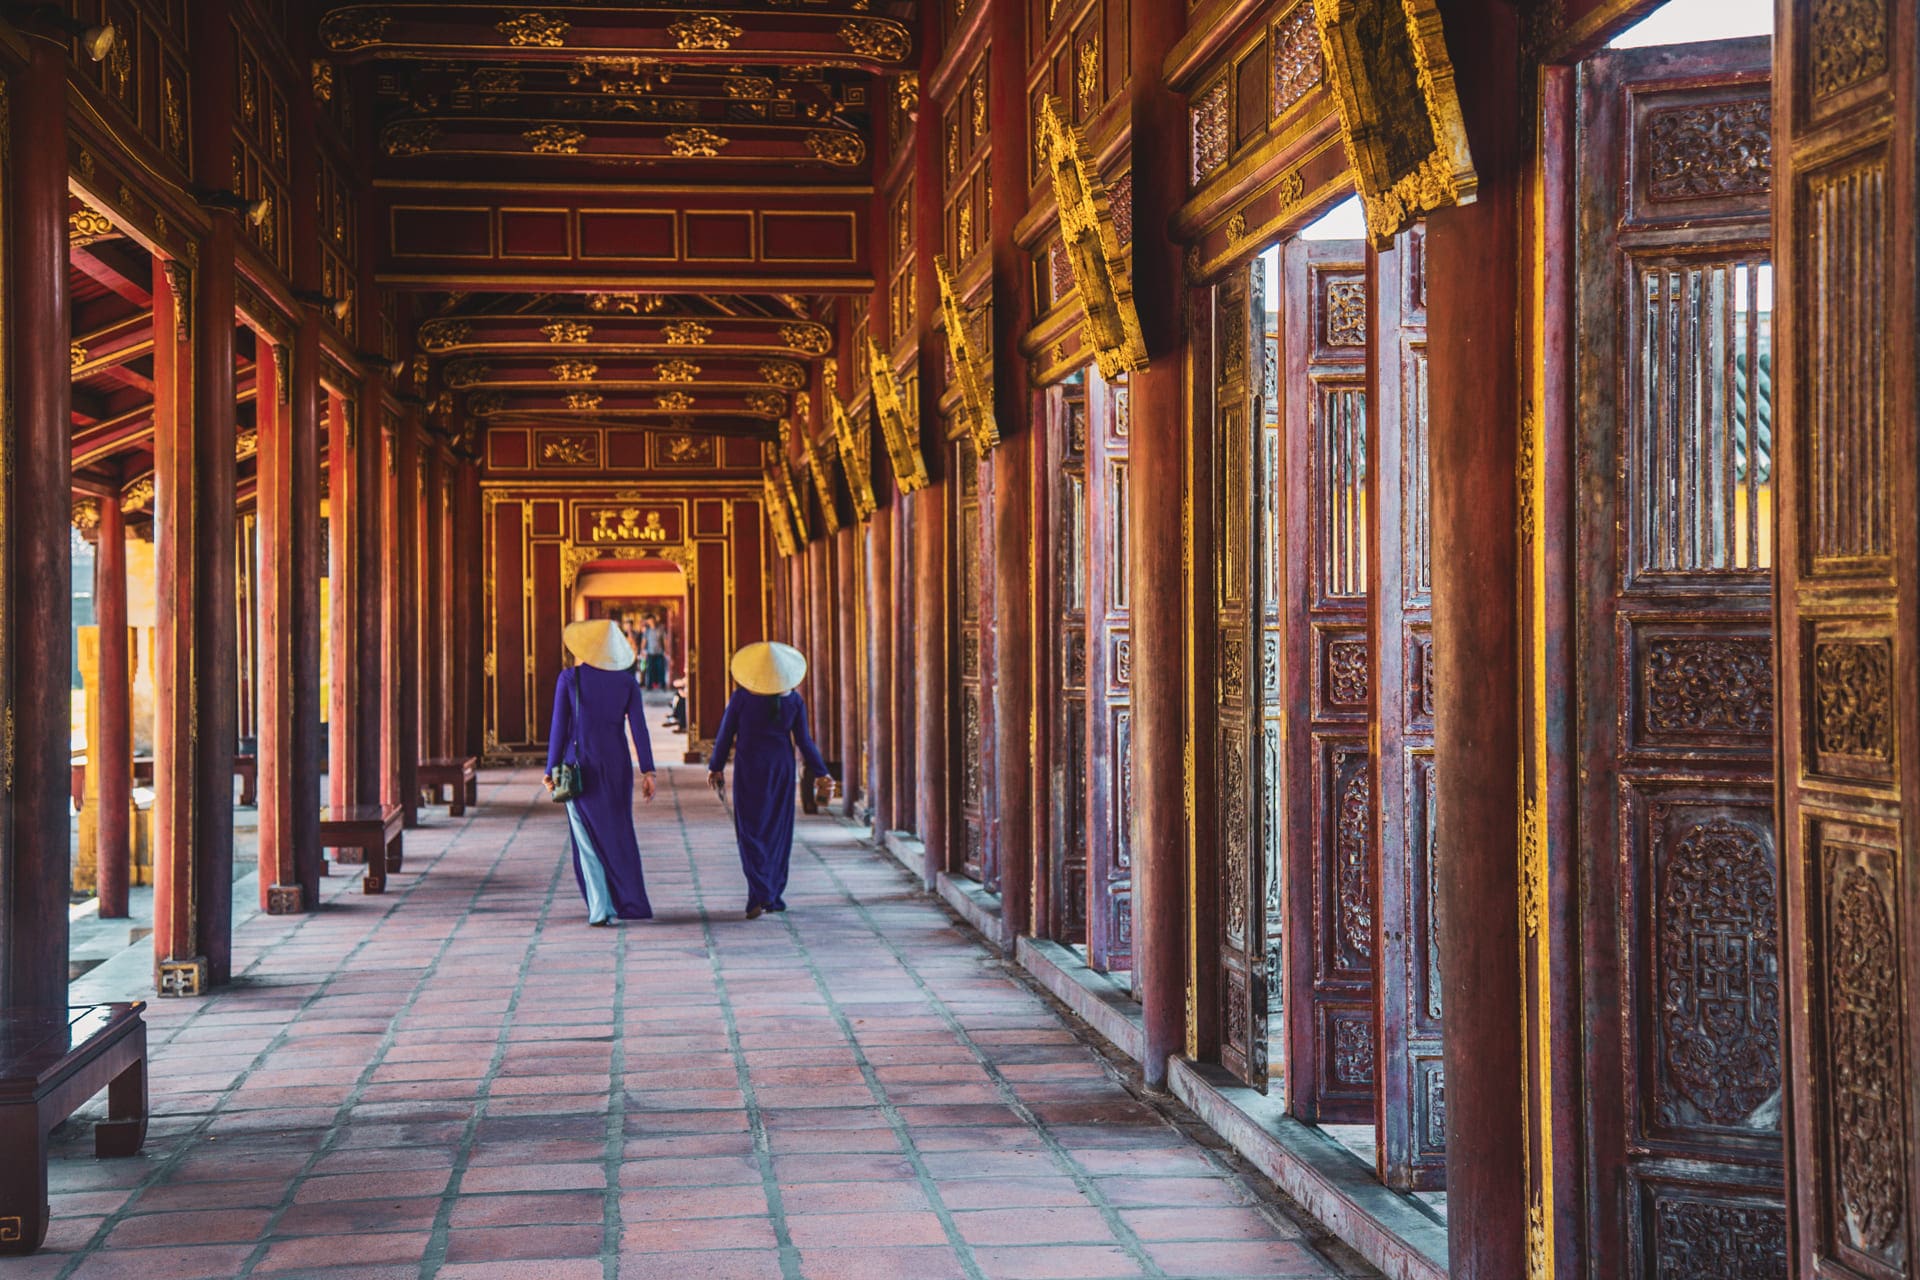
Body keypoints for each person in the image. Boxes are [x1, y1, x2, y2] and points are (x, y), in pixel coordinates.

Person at [707, 641, 833, 919]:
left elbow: (725, 734)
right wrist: (821, 771)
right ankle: (772, 894)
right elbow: (804, 742)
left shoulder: (741, 698)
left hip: (750, 767)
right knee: (778, 830)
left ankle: (758, 891)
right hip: (781, 769)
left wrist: (715, 767)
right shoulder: (793, 700)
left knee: (750, 829)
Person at [543, 619, 657, 925]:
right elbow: (639, 729)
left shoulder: (570, 679)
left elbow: (558, 727)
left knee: (586, 838)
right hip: (617, 767)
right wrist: (648, 770)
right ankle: (632, 902)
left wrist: (550, 768)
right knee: (619, 834)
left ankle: (600, 907)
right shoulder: (627, 683)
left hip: (579, 768)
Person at [642, 615, 670, 690]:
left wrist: (666, 650)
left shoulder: (660, 628)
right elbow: (644, 641)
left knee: (661, 669)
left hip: (659, 653)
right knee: (650, 670)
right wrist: (642, 651)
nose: (651, 622)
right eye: (649, 621)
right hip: (650, 653)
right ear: (647, 622)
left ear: (654, 620)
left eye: (652, 620)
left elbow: (664, 640)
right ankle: (649, 686)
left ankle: (662, 685)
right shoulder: (647, 630)